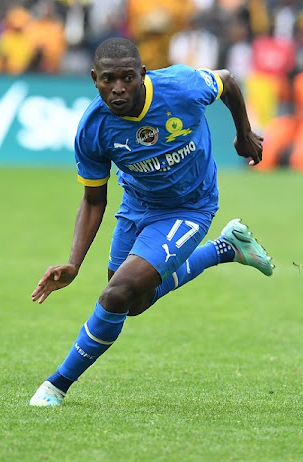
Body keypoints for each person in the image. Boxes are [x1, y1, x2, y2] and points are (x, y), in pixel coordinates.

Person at [29, 37, 274, 407]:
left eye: (128, 77)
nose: (118, 88)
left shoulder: (181, 87)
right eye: (108, 79)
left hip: (190, 208)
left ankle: (56, 385)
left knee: (115, 296)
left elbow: (228, 81)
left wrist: (243, 134)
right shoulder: (93, 129)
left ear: (143, 74)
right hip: (137, 206)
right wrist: (74, 264)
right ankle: (225, 249)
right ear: (94, 79)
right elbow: (94, 200)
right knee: (132, 303)